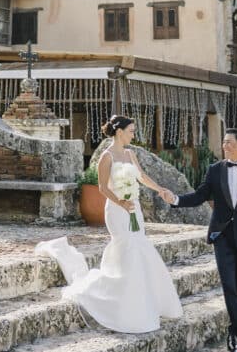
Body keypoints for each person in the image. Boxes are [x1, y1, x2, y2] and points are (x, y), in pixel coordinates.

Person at [35, 115, 183, 333]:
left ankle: (140, 303)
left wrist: (160, 189)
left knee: (139, 245)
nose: (133, 134)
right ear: (119, 131)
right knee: (126, 247)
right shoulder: (107, 156)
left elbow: (141, 176)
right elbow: (103, 188)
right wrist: (121, 202)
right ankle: (118, 302)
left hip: (133, 208)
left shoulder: (130, 154)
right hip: (116, 209)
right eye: (131, 131)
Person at [160, 128, 237, 352]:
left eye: (229, 142)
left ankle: (234, 329)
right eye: (224, 142)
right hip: (222, 236)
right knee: (229, 285)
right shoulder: (215, 170)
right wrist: (176, 199)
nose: (224, 146)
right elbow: (199, 196)